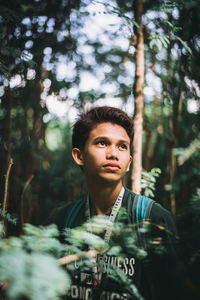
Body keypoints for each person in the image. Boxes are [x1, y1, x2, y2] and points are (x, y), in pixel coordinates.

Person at [54, 106, 185, 300]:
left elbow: (175, 292)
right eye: (102, 143)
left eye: (122, 146)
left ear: (129, 162)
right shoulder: (65, 219)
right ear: (79, 156)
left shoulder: (152, 218)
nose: (114, 154)